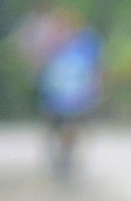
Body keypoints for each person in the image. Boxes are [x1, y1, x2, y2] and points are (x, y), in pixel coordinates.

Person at [37, 11, 102, 181]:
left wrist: (94, 89)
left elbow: (93, 69)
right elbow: (43, 68)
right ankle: (61, 155)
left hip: (76, 98)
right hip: (55, 97)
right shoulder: (51, 46)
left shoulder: (85, 46)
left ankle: (66, 155)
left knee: (71, 128)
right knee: (56, 129)